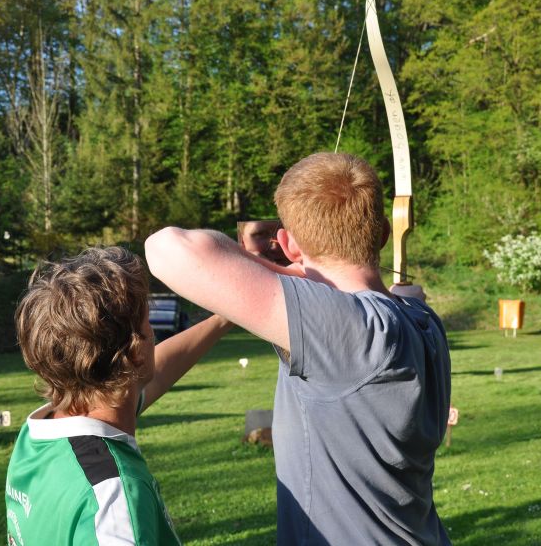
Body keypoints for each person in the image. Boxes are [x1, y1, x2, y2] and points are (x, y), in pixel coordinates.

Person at [145, 152, 451, 545]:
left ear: (287, 243)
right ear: (384, 235)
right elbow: (397, 297)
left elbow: (165, 247)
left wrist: (274, 268)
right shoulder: (421, 318)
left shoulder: (351, 330)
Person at [6, 246, 232, 546]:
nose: (154, 334)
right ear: (136, 353)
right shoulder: (112, 499)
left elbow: (158, 371)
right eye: (147, 323)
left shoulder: (37, 438)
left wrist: (225, 316)